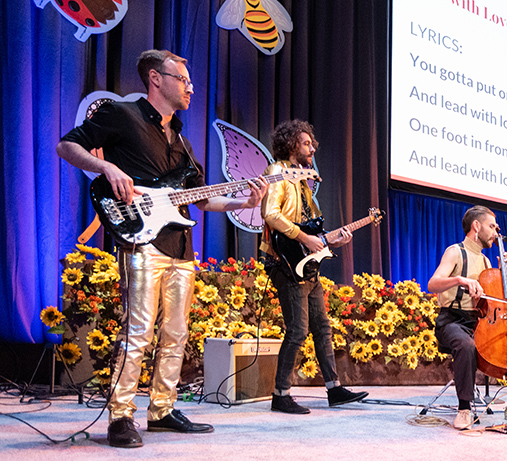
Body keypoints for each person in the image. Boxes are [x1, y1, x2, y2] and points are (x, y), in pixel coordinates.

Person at [57, 49, 269, 448]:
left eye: (189, 81)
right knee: (138, 330)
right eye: (182, 79)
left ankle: (162, 408)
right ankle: (120, 416)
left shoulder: (184, 143)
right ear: (156, 79)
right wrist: (108, 167)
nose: (190, 86)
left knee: (175, 332)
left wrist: (243, 202)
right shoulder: (122, 114)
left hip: (180, 248)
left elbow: (201, 200)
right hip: (141, 239)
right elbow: (67, 146)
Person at [260, 120, 369, 415]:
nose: (312, 148)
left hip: (307, 265)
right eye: (306, 143)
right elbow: (271, 214)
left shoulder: (305, 183)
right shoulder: (277, 172)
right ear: (292, 144)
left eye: (312, 143)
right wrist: (305, 237)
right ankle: (280, 394)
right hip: (284, 261)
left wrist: (334, 240)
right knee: (297, 329)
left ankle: (334, 389)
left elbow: (314, 233)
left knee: (321, 327)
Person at [427, 206, 507, 430]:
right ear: (476, 226)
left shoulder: (486, 262)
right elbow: (433, 283)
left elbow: (494, 302)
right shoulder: (456, 251)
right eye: (492, 226)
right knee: (466, 345)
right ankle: (464, 408)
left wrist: (503, 274)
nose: (495, 232)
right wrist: (460, 280)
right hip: (451, 320)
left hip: (479, 321)